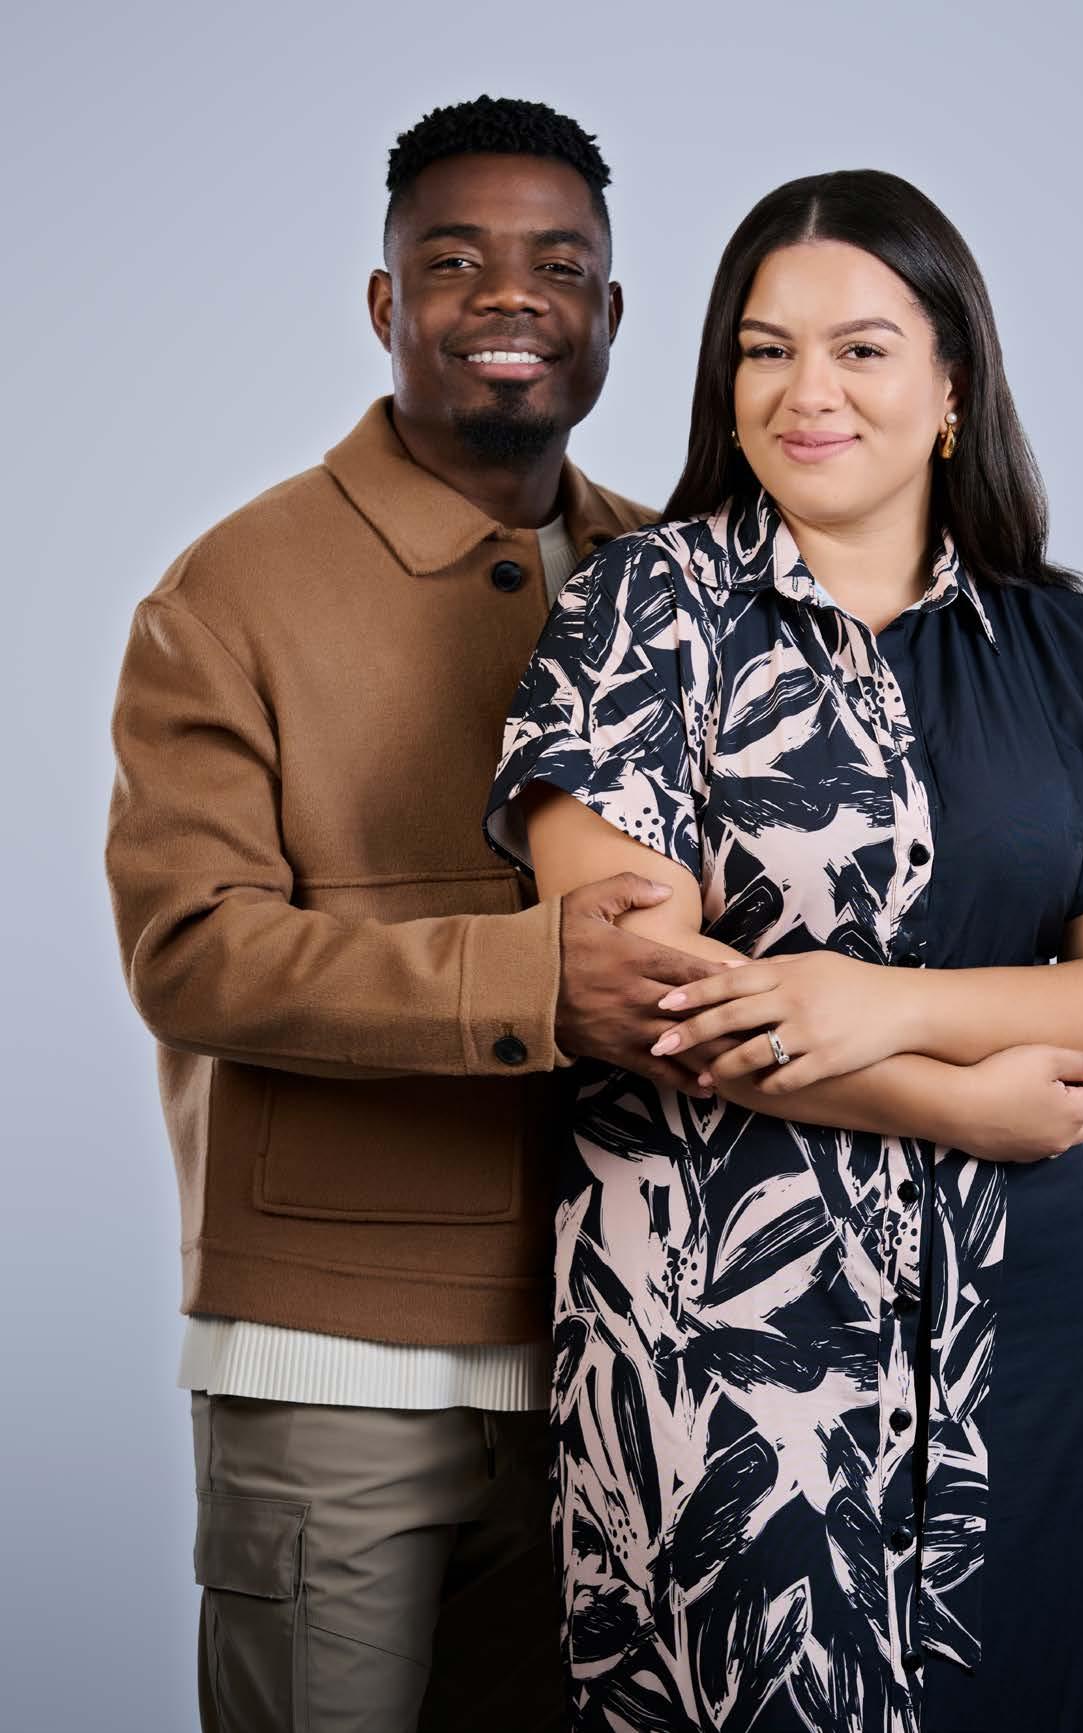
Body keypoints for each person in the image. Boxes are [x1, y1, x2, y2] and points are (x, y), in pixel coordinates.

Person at [484, 169, 1083, 1733]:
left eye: (861, 349)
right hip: (730, 1334)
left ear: (951, 386)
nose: (805, 390)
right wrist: (972, 1099)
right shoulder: (641, 612)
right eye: (764, 350)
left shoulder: (1062, 650)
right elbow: (639, 993)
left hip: (1028, 1317)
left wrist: (866, 1001)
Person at [105, 95, 738, 1733]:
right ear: (385, 303)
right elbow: (191, 951)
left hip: (631, 1350)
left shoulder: (677, 579)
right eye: (455, 263)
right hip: (336, 1358)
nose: (509, 296)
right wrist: (533, 978)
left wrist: (1016, 1050)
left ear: (611, 313)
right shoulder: (229, 591)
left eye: (558, 266)